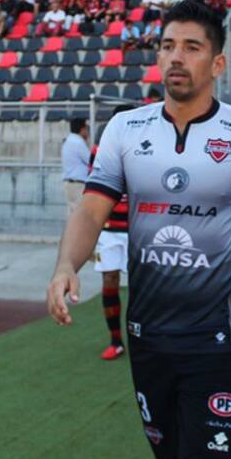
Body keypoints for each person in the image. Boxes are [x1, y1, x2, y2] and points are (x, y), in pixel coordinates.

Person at [46, 0, 231, 459]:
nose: (176, 57)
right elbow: (91, 208)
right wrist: (67, 264)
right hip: (148, 331)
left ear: (218, 62)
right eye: (167, 46)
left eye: (191, 47)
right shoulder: (126, 128)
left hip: (219, 337)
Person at [90, 104, 135, 361]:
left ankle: (142, 336)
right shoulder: (100, 150)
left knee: (141, 287)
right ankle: (116, 340)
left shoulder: (147, 148)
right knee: (109, 281)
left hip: (137, 229)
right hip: (109, 230)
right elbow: (94, 188)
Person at [61, 118, 90, 215]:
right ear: (82, 129)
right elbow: (91, 161)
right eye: (86, 128)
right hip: (78, 184)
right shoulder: (78, 142)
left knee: (72, 215)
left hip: (69, 183)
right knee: (81, 215)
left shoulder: (68, 140)